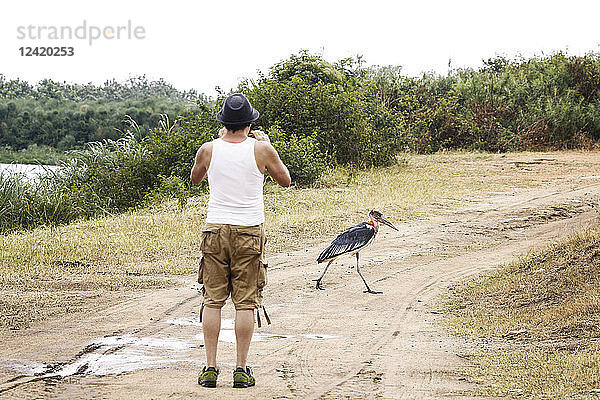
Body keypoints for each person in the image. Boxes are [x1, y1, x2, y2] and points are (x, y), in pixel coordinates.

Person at [190, 93, 291, 389]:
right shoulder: (261, 149)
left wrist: (216, 144)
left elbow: (195, 178)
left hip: (215, 230)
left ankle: (210, 369)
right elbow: (284, 180)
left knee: (213, 300)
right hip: (249, 231)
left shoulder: (208, 149)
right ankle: (241, 369)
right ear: (249, 124)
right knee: (246, 302)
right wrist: (267, 144)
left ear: (225, 123)